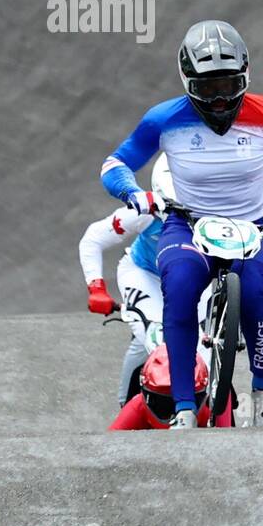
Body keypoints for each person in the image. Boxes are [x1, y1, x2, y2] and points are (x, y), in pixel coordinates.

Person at [100, 20, 263, 429]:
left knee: (253, 293)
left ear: (245, 77)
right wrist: (133, 192)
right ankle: (183, 407)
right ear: (187, 83)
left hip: (249, 225)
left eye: (228, 86)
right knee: (178, 289)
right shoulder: (163, 119)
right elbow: (115, 163)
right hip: (187, 224)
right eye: (207, 89)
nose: (219, 101)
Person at [79, 153, 174, 406]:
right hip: (145, 274)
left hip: (191, 279)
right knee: (153, 338)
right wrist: (96, 287)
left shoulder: (218, 209)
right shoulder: (146, 211)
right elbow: (93, 239)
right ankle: (127, 407)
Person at [109, 342, 234, 430]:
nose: (174, 416)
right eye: (163, 405)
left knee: (222, 386)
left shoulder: (208, 409)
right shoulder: (138, 406)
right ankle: (122, 400)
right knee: (137, 348)